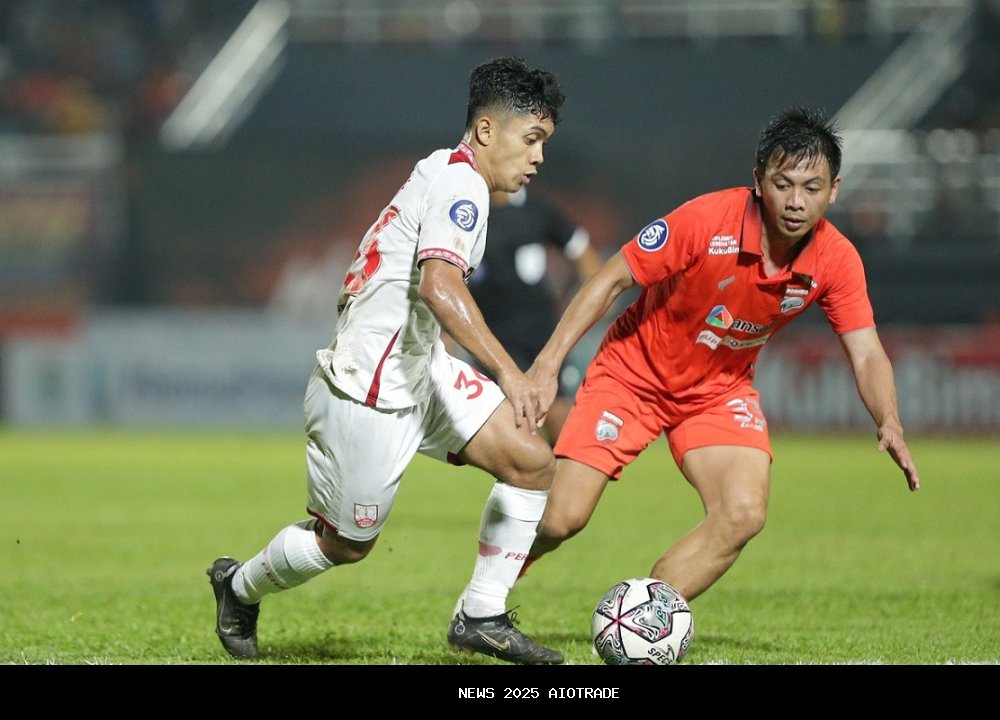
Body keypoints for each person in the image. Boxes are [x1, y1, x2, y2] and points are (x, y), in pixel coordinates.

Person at [207, 56, 566, 665]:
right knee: (346, 546)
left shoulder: (444, 170)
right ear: (486, 131)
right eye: (530, 139)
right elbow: (438, 287)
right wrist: (509, 371)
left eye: (544, 143)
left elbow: (415, 287)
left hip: (417, 369)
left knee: (531, 462)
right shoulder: (461, 185)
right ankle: (238, 586)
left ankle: (481, 615)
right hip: (368, 391)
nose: (537, 157)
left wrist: (446, 350)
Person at [522, 106, 921, 604]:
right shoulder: (707, 220)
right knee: (562, 518)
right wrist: (548, 364)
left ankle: (643, 619)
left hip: (718, 392)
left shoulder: (836, 259)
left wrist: (889, 419)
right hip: (632, 375)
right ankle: (489, 584)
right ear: (758, 181)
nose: (796, 202)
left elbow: (866, 353)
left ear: (834, 190)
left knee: (743, 512)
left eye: (812, 188)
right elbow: (612, 278)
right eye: (783, 184)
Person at [456, 187, 603, 443]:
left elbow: (584, 255)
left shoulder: (537, 210)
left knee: (561, 424)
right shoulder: (469, 213)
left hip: (540, 334)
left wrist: (581, 308)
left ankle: (567, 480)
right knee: (510, 433)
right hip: (491, 340)